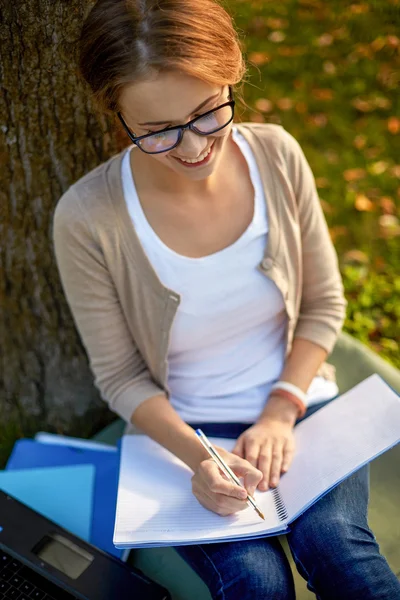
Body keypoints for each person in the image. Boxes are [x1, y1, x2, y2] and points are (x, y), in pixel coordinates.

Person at [53, 1, 400, 598]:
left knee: (337, 544)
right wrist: (199, 459)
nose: (190, 147)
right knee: (254, 581)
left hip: (301, 405)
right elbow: (120, 378)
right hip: (183, 435)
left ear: (231, 72)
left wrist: (279, 413)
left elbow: (322, 306)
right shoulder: (87, 218)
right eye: (158, 131)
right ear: (118, 113)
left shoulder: (277, 156)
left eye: (208, 112)